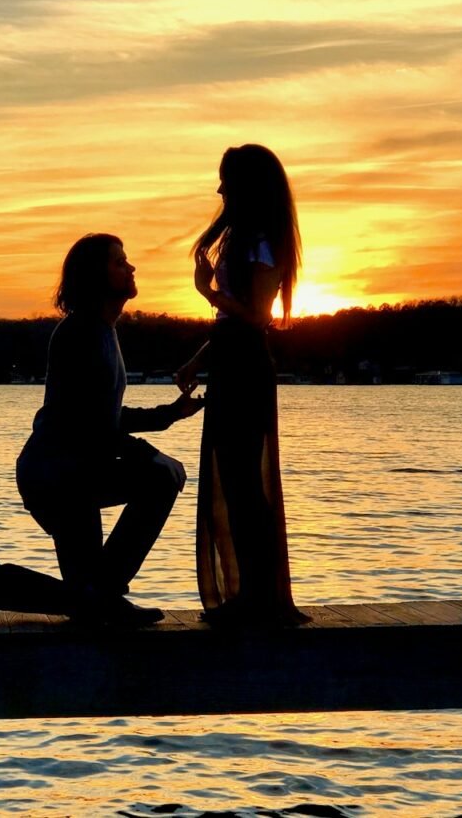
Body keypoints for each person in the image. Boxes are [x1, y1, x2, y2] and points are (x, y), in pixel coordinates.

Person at [0, 233, 203, 626]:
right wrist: (151, 454)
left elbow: (104, 416)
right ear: (95, 276)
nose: (131, 267)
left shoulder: (103, 331)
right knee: (158, 479)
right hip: (57, 477)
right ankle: (101, 596)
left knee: (84, 600)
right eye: (119, 262)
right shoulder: (80, 335)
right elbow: (87, 426)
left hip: (77, 473)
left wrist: (169, 414)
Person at [175, 144, 308, 626]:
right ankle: (249, 595)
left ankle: (260, 598)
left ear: (246, 186)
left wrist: (207, 293)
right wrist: (197, 359)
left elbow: (255, 318)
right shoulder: (246, 239)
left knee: (245, 482)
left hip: (247, 367)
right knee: (234, 479)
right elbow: (232, 324)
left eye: (225, 180)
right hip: (233, 360)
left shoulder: (261, 243)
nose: (219, 189)